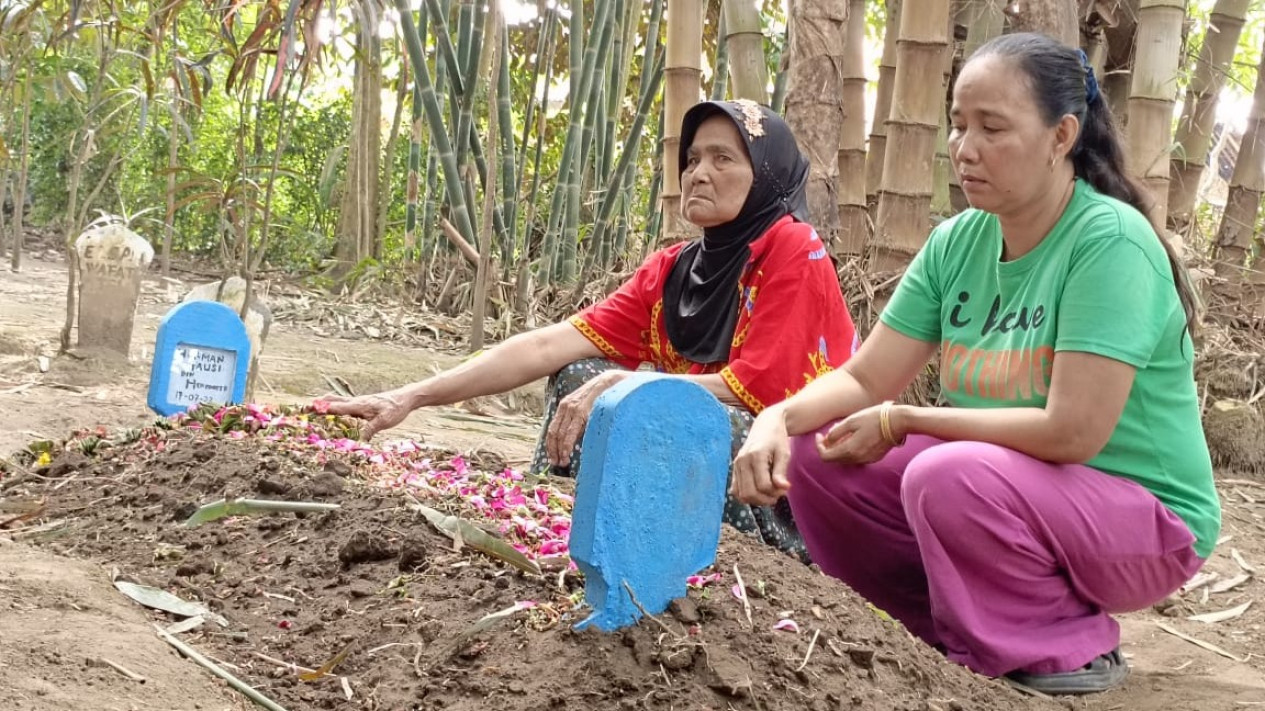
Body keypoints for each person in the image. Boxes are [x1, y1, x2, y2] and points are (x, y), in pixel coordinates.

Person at [731, 33, 1221, 695]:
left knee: (945, 472)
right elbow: (863, 378)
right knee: (819, 453)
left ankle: (1061, 646)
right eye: (958, 125)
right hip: (1008, 490)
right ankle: (943, 633)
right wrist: (773, 419)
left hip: (1145, 522)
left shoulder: (1109, 240)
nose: (963, 148)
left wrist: (903, 418)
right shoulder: (956, 241)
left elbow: (1071, 432)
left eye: (992, 127)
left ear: (1060, 136)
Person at [318, 100, 858, 560]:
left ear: (766, 173)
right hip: (700, 459)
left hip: (785, 483)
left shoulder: (794, 248)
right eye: (692, 158)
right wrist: (411, 397)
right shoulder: (673, 270)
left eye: (723, 158)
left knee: (668, 410)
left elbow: (763, 391)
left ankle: (719, 560)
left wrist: (632, 384)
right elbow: (549, 345)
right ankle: (560, 524)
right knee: (581, 371)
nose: (698, 172)